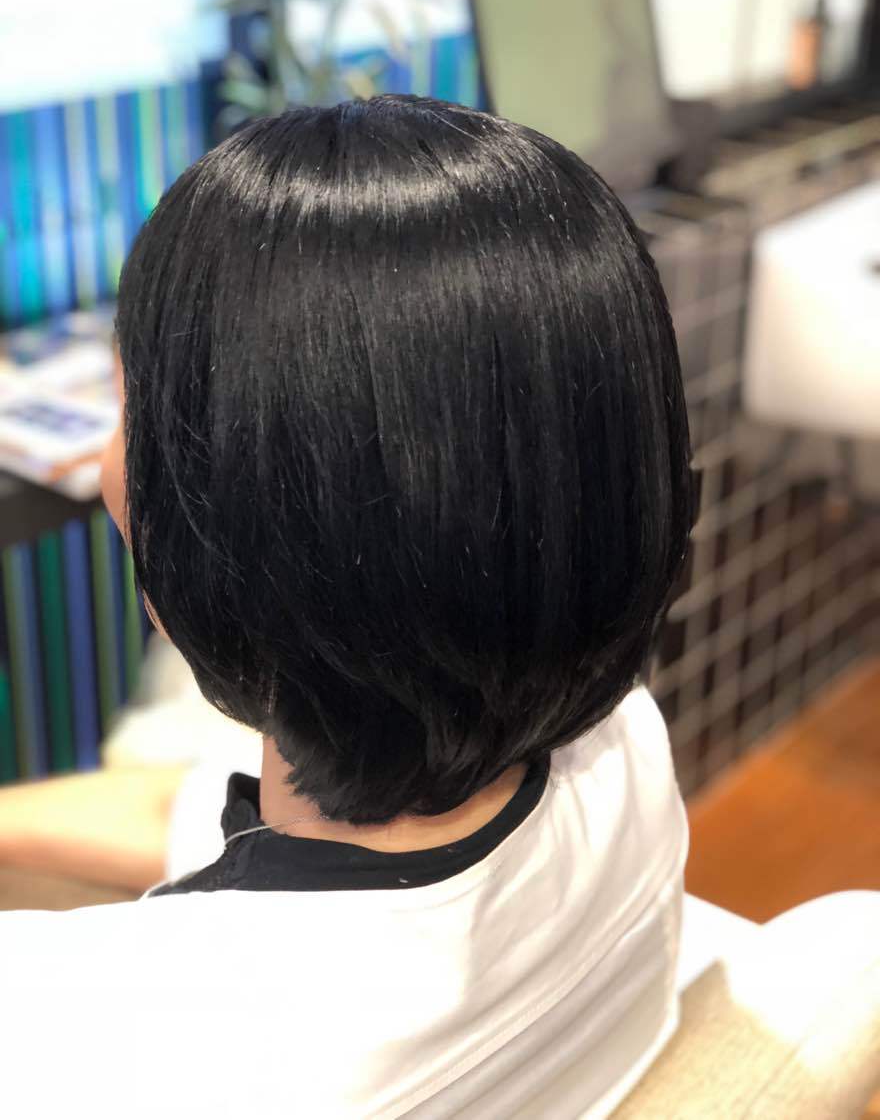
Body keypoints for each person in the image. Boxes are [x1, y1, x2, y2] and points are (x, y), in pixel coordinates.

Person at [0, 95, 694, 1118]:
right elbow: (196, 814)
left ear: (226, 523)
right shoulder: (624, 754)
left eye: (127, 412)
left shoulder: (99, 1045)